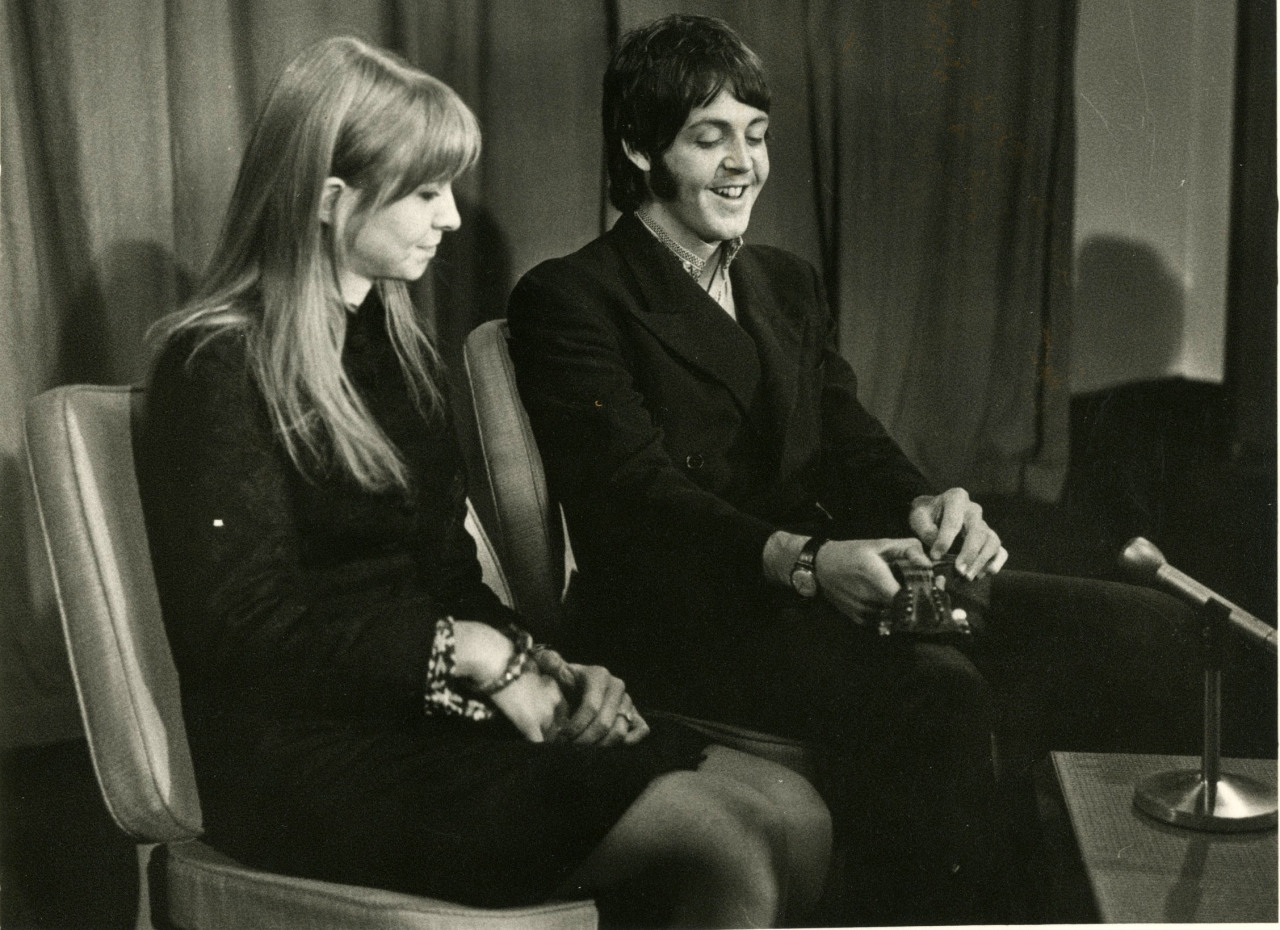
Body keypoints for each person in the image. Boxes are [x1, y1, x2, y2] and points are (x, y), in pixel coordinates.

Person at [507, 14, 1206, 925]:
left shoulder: (784, 282)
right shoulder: (569, 297)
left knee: (1141, 634)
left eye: (756, 137)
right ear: (639, 148)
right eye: (708, 137)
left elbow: (850, 440)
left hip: (841, 579)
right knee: (939, 693)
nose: (742, 164)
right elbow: (636, 500)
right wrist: (803, 559)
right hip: (685, 622)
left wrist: (930, 503)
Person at [135, 35, 832, 929]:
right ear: (329, 201)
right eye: (425, 192)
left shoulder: (391, 348)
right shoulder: (216, 361)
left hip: (426, 714)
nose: (452, 219)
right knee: (724, 835)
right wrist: (471, 657)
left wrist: (550, 667)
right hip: (311, 760)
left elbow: (449, 574)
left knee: (796, 810)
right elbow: (245, 626)